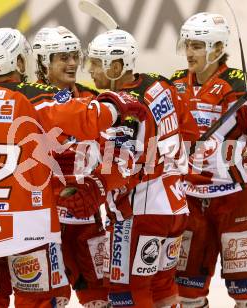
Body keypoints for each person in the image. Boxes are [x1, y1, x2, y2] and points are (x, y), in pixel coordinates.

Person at [0, 27, 148, 308]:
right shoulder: (33, 98)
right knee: (38, 302)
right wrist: (119, 102)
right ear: (22, 62)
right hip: (28, 230)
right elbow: (89, 118)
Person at [169, 12, 247, 307]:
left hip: (237, 200)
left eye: (197, 45)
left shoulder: (244, 86)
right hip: (190, 201)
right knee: (186, 291)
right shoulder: (174, 86)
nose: (189, 52)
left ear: (217, 47)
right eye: (188, 45)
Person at [75, 28, 198, 308]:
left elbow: (120, 167)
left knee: (126, 291)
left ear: (116, 67)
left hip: (140, 211)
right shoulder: (160, 86)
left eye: (96, 63)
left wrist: (91, 184)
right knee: (162, 286)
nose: (89, 70)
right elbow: (190, 133)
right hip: (175, 206)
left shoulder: (122, 108)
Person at [31, 26, 109, 307]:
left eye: (75, 56)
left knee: (101, 298)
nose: (73, 63)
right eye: (63, 57)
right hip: (42, 223)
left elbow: (115, 152)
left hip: (87, 218)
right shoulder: (26, 101)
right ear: (43, 62)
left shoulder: (93, 100)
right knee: (51, 300)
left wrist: (98, 187)